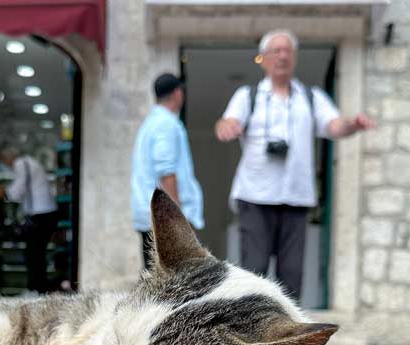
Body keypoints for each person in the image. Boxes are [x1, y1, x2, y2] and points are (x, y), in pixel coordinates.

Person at [215, 29, 376, 302]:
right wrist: (225, 126)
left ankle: (288, 339)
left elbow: (335, 126)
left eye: (288, 50)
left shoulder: (310, 98)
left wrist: (353, 125)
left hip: (296, 197)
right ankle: (253, 336)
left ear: (295, 58)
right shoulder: (248, 95)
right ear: (263, 59)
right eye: (276, 51)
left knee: (292, 277)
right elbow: (227, 122)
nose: (283, 56)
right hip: (256, 196)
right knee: (253, 275)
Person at [130, 73, 204, 270]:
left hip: (152, 215)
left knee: (157, 278)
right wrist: (176, 217)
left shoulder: (150, 124)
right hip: (163, 218)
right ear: (178, 93)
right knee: (172, 282)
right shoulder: (166, 124)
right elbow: (166, 171)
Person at [0, 145, 59, 293]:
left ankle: (36, 289)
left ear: (8, 157)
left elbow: (18, 190)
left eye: (2, 159)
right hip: (46, 213)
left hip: (40, 214)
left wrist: (4, 192)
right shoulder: (30, 162)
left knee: (33, 254)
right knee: (37, 253)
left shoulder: (21, 163)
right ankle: (39, 289)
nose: (4, 163)